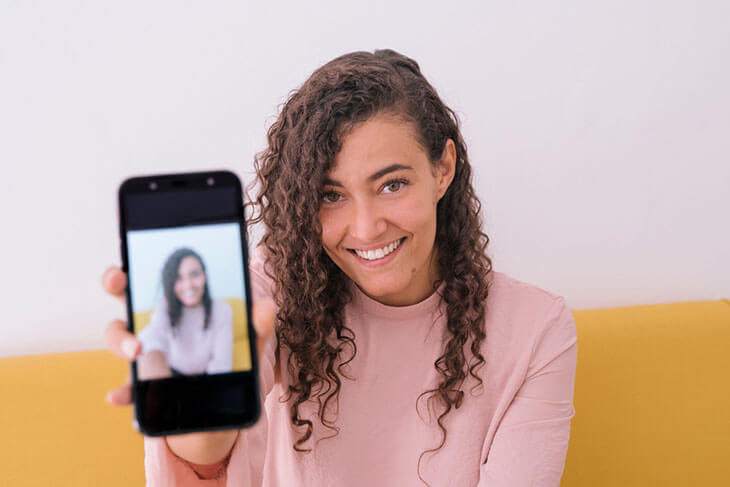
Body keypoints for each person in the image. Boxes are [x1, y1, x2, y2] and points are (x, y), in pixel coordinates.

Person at [104, 49, 578, 486]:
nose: (367, 228)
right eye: (331, 196)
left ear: (443, 168)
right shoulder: (275, 291)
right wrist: (190, 395)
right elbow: (205, 464)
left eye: (392, 185)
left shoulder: (536, 330)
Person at [136, 247, 234, 379]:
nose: (188, 285)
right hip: (170, 377)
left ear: (204, 276)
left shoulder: (222, 309)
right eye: (179, 278)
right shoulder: (164, 306)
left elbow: (221, 365)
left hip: (207, 382)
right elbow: (152, 338)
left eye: (194, 275)